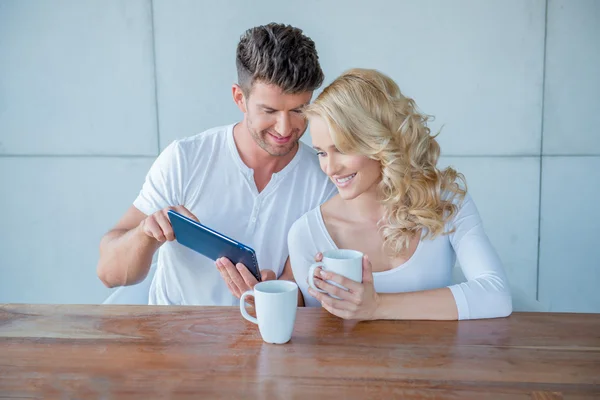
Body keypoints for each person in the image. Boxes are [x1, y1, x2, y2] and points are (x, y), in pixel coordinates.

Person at [97, 23, 336, 305]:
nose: (285, 128)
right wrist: (146, 233)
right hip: (174, 340)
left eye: (299, 110)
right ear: (240, 98)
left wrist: (274, 296)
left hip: (264, 342)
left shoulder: (324, 178)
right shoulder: (185, 159)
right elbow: (108, 274)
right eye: (269, 110)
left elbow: (302, 296)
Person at [288, 68, 512, 320]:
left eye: (341, 148)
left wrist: (376, 306)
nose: (330, 168)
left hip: (437, 359)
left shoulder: (446, 201)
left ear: (379, 140)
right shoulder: (307, 234)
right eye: (321, 152)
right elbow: (320, 337)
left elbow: (496, 296)